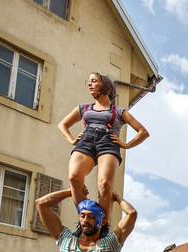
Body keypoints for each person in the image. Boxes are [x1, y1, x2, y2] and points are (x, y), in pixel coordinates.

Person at [59, 72, 149, 218]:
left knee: (105, 184)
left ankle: (103, 225)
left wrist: (125, 145)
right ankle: (86, 219)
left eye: (94, 81)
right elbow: (62, 125)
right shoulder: (84, 108)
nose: (89, 84)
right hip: (86, 141)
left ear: (105, 86)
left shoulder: (119, 112)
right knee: (74, 178)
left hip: (108, 143)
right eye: (88, 81)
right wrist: (72, 140)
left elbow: (143, 132)